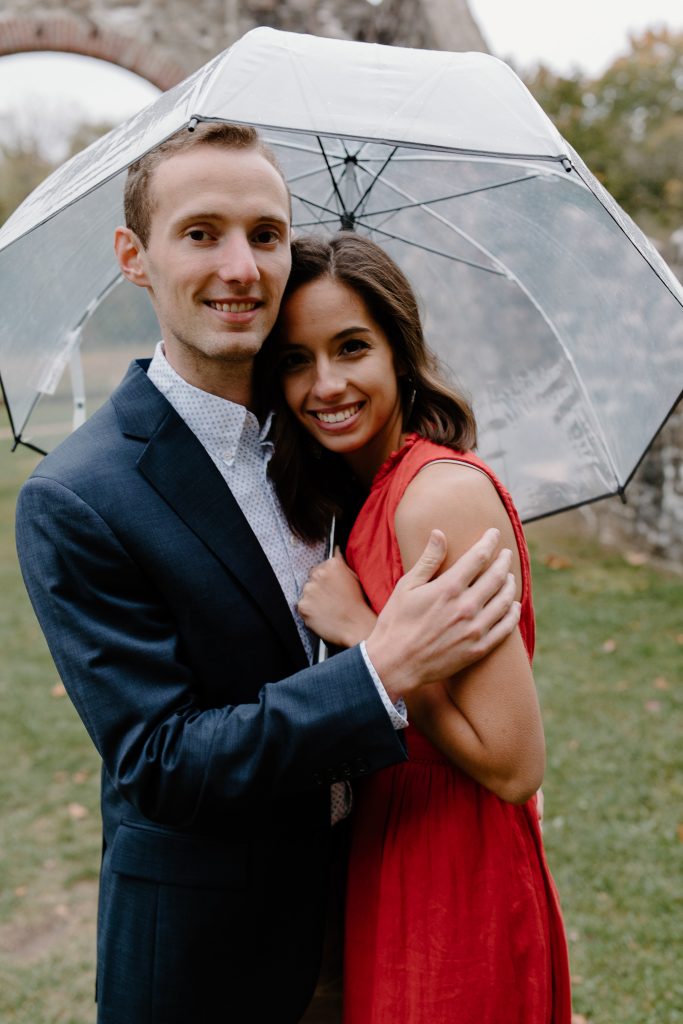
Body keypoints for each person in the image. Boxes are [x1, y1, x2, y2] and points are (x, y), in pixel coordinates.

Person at [14, 124, 522, 1024]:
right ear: (135, 256)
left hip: (373, 906)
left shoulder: (327, 446)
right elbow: (159, 761)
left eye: (265, 233)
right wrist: (378, 672)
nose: (240, 266)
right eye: (201, 233)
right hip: (213, 961)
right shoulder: (77, 497)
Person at [259, 231, 573, 1023]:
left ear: (400, 352)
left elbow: (513, 764)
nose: (324, 384)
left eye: (351, 347)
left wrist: (370, 640)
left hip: (455, 865)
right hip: (386, 844)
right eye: (296, 359)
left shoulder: (435, 497)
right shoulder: (364, 496)